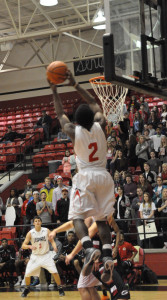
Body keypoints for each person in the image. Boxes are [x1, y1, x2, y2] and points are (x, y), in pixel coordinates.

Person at [49, 70, 115, 281]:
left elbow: (60, 115)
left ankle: (88, 248)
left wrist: (54, 89)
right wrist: (76, 85)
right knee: (102, 220)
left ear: (76, 121)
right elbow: (95, 104)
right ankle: (106, 256)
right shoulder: (101, 124)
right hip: (104, 175)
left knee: (77, 217)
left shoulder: (72, 130)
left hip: (86, 176)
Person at [49, 217, 130, 300]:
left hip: (100, 259)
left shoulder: (98, 219)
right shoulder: (88, 218)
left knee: (119, 292)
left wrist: (72, 254)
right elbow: (72, 223)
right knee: (88, 287)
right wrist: (56, 230)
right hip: (95, 258)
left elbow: (85, 235)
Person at [21, 216, 65, 297]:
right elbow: (23, 245)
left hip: (46, 255)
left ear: (41, 222)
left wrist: (55, 246)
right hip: (35, 256)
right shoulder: (30, 233)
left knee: (54, 272)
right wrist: (29, 246)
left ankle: (60, 288)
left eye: (39, 221)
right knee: (27, 274)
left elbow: (52, 240)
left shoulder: (46, 230)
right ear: (33, 223)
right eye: (36, 221)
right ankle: (27, 289)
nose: (37, 222)